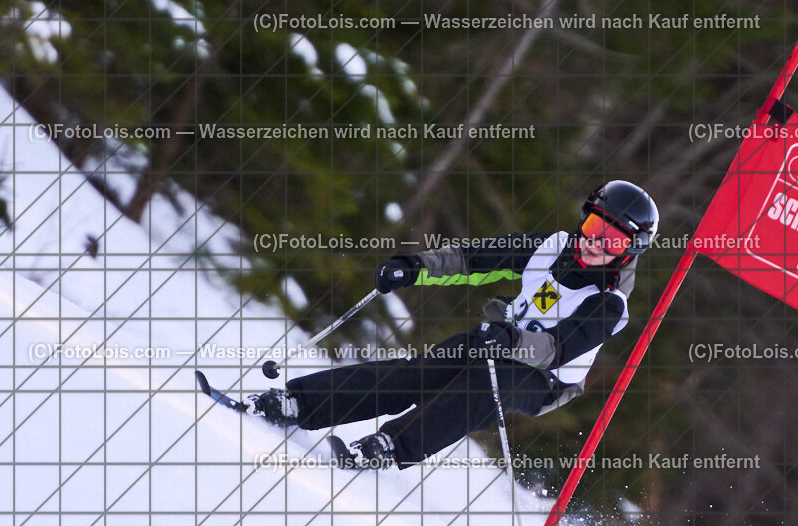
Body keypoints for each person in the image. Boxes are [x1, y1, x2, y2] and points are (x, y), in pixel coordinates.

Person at [243, 180, 659, 469]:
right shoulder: (551, 247)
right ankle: (300, 403)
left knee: (477, 389)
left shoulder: (608, 304)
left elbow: (557, 348)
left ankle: (393, 445)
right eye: (592, 226)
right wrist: (415, 266)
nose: (594, 242)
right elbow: (474, 259)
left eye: (613, 239)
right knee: (416, 373)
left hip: (544, 379)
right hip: (500, 339)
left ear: (630, 249)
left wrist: (510, 339)